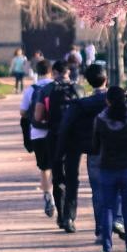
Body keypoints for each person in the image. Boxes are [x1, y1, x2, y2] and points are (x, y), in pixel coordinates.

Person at [55, 64, 110, 234]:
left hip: (87, 147)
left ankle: (100, 227)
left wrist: (58, 152)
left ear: (87, 81)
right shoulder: (115, 99)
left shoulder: (81, 104)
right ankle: (116, 221)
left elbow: (65, 126)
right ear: (106, 79)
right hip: (113, 148)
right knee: (116, 188)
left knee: (96, 190)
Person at [92, 84, 127, 252]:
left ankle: (107, 251)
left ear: (108, 101)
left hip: (107, 168)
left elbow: (95, 146)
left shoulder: (100, 119)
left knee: (107, 209)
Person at [19, 60, 63, 217]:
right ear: (52, 71)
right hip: (57, 132)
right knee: (58, 166)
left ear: (37, 71)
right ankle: (60, 196)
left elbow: (23, 112)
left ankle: (48, 195)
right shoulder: (58, 87)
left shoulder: (31, 89)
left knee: (44, 167)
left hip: (38, 133)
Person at [43, 65, 82, 231]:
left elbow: (38, 115)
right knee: (72, 177)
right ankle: (69, 217)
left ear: (55, 72)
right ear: (69, 73)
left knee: (58, 177)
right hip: (74, 138)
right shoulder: (79, 89)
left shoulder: (47, 89)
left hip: (54, 136)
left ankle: (60, 215)